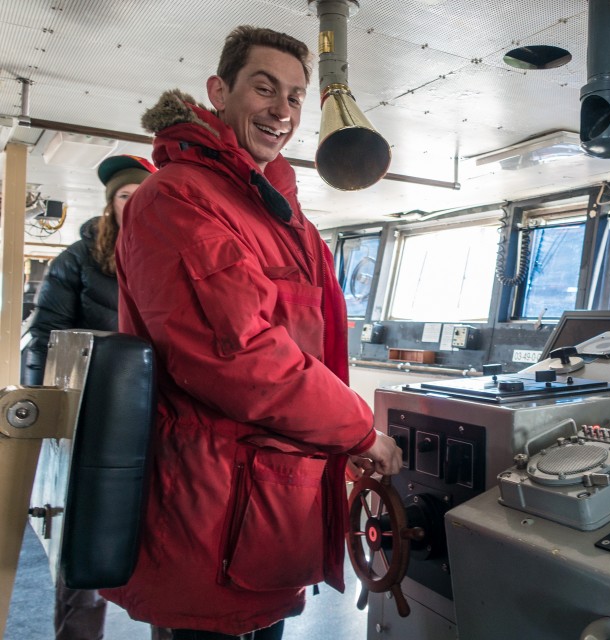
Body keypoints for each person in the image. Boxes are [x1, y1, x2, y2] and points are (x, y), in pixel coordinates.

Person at [98, 26, 403, 639]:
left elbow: (307, 343)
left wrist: (338, 442)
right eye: (264, 88)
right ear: (219, 90)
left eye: (294, 97)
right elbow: (240, 358)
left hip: (264, 510)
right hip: (212, 512)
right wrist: (356, 431)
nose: (281, 111)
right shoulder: (179, 198)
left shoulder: (273, 209)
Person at [21, 153, 157, 640]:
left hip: (159, 422)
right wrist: (44, 416)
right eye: (125, 195)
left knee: (166, 555)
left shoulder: (169, 254)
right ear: (111, 204)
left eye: (144, 194)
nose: (135, 203)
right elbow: (44, 337)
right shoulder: (76, 260)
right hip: (92, 424)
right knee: (85, 552)